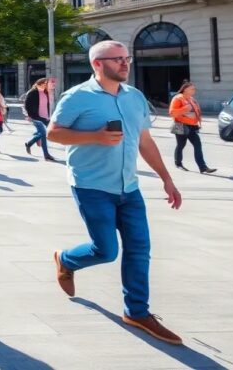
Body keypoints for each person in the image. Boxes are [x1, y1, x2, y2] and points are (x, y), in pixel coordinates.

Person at [47, 40, 183, 345]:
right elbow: (53, 133)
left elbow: (145, 141)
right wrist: (95, 136)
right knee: (106, 250)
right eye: (117, 59)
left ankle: (137, 311)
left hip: (129, 186)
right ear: (98, 64)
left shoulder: (134, 97)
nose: (125, 64)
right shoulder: (76, 97)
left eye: (127, 58)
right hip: (92, 185)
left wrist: (166, 179)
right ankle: (67, 260)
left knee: (139, 249)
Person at [168, 81, 215, 174]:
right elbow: (172, 112)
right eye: (192, 89)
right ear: (185, 89)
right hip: (180, 125)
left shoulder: (191, 99)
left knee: (197, 145)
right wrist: (185, 109)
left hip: (192, 126)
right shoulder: (177, 98)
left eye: (194, 89)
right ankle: (178, 164)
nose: (194, 90)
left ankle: (203, 167)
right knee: (181, 145)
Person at [23, 77, 57, 161]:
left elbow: (47, 105)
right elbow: (27, 105)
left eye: (46, 83)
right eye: (44, 83)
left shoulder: (45, 92)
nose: (45, 85)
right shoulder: (32, 92)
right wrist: (30, 116)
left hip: (45, 117)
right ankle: (46, 155)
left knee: (42, 133)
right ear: (39, 84)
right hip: (36, 117)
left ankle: (29, 143)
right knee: (44, 133)